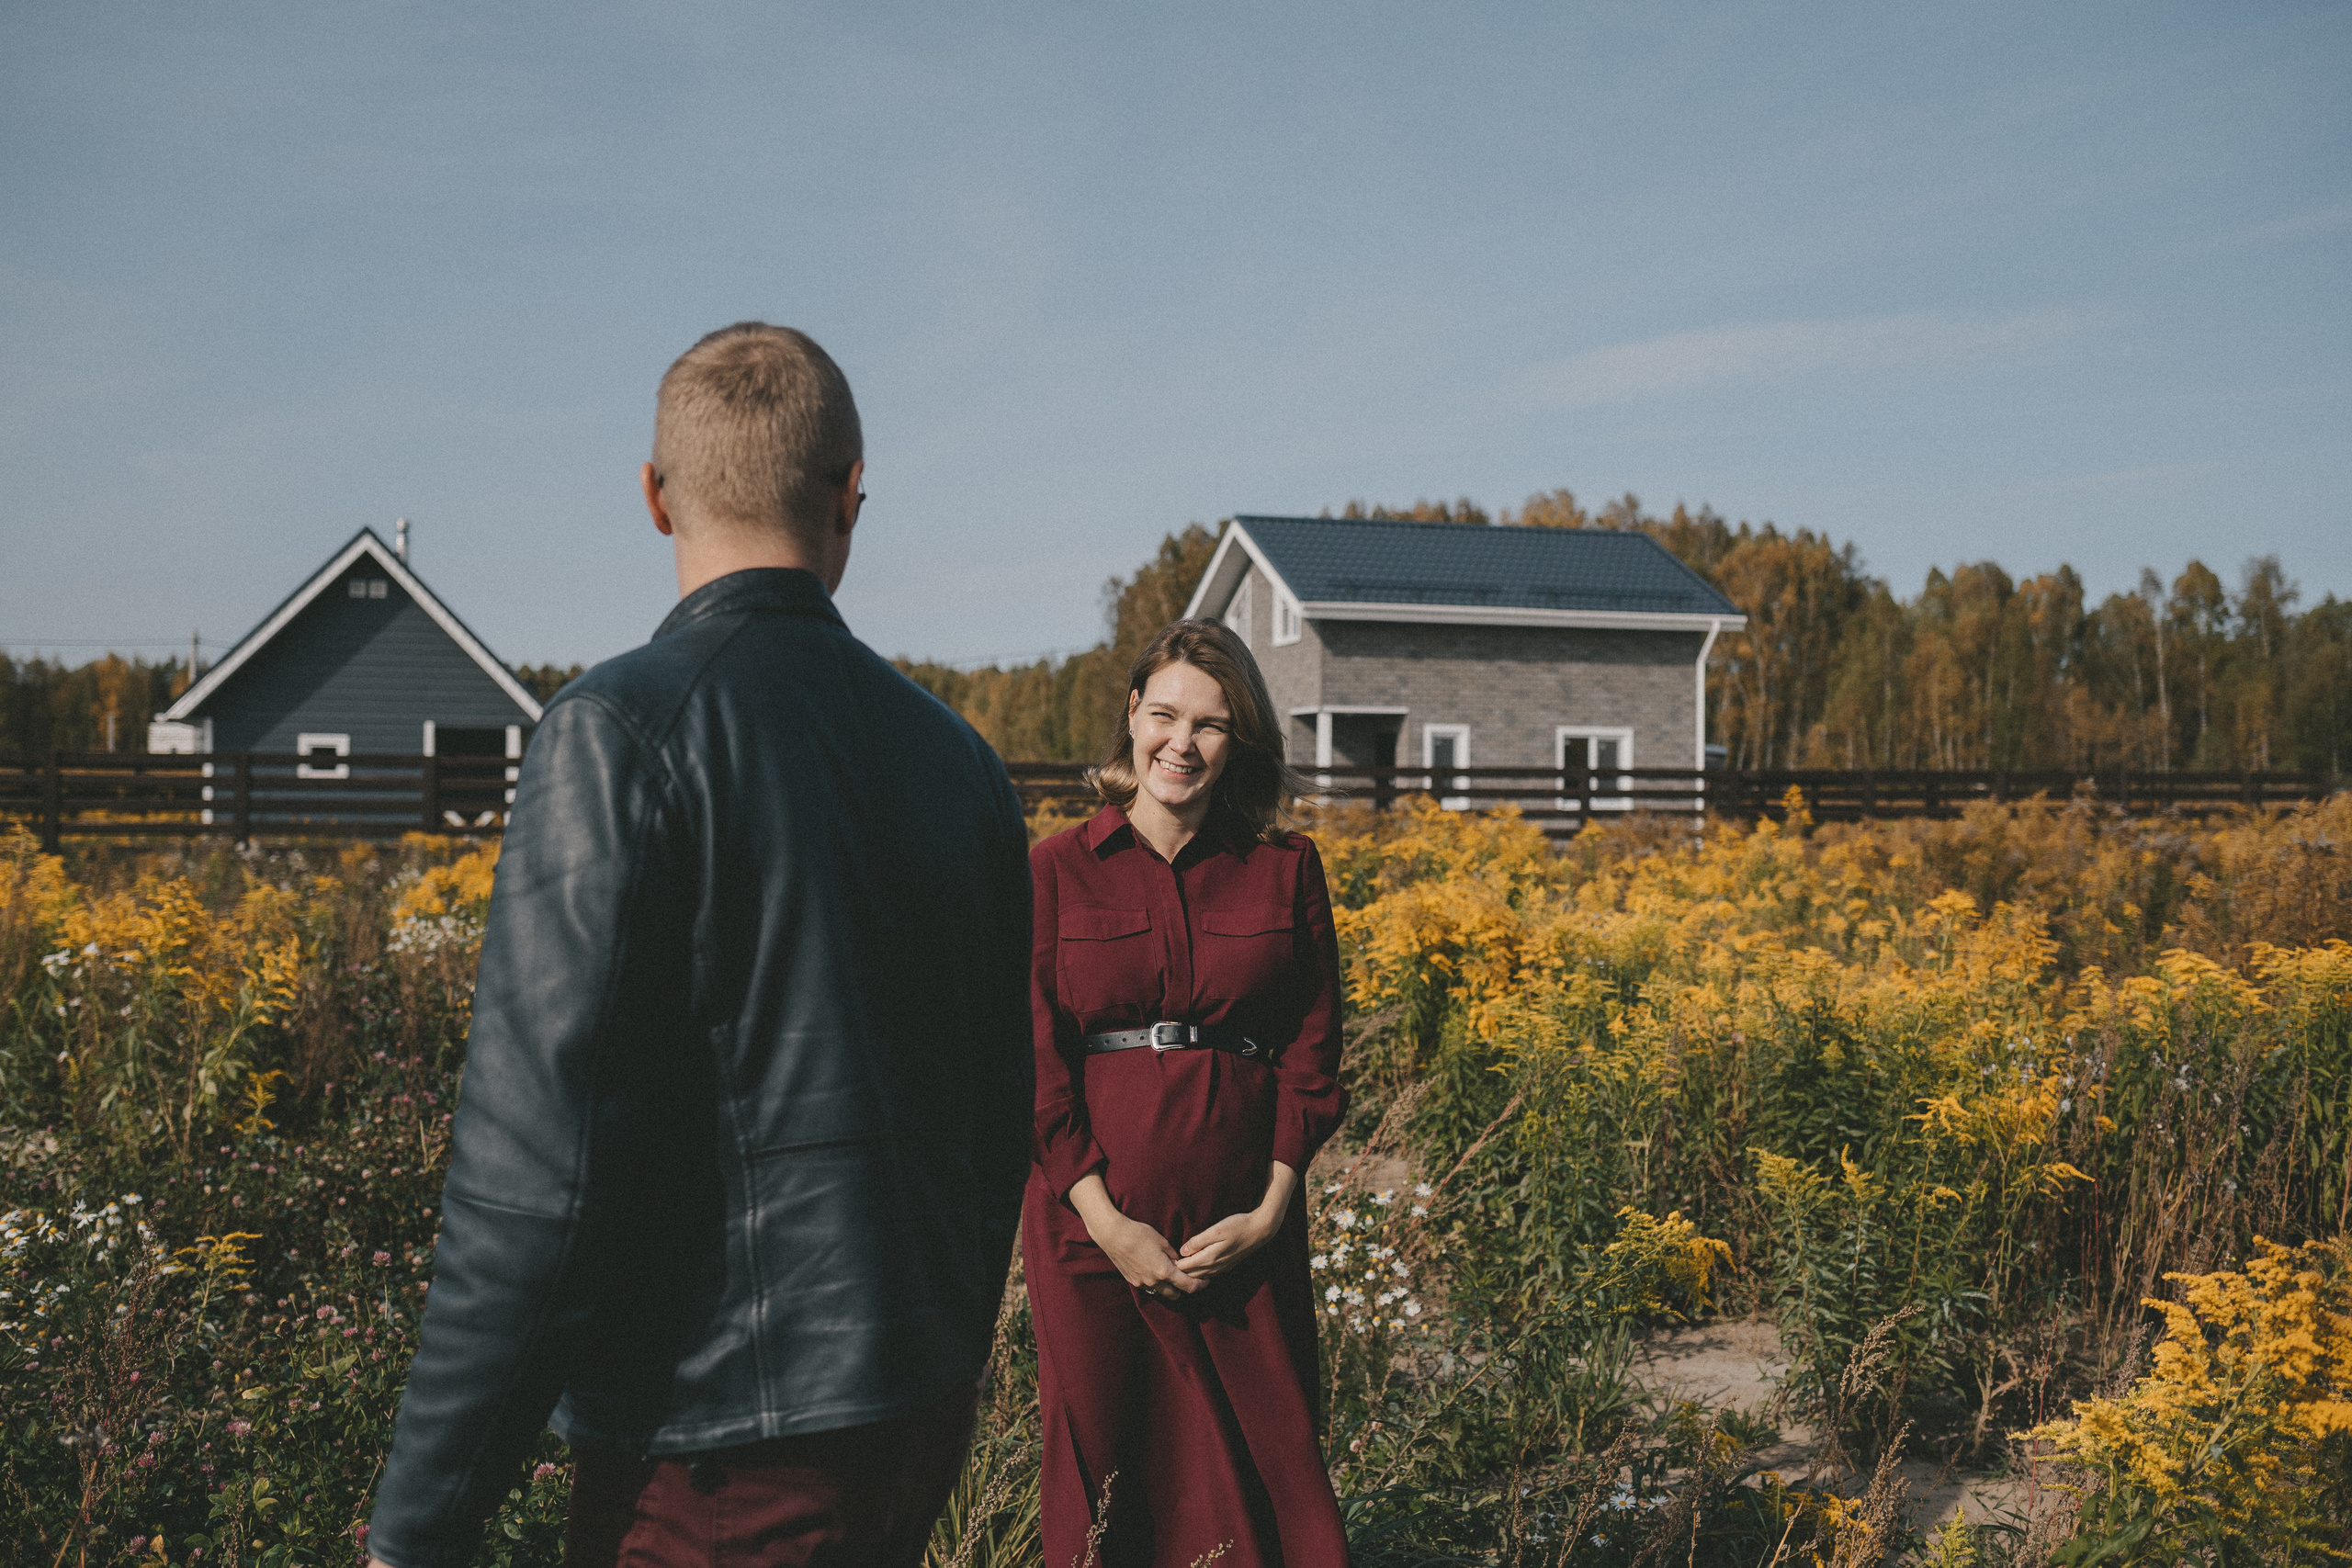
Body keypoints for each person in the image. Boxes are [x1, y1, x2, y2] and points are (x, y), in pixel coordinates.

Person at [364, 323, 1034, 1568]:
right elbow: (1001, 1115)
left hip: (714, 1440)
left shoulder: (616, 728)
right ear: (850, 495)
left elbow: (537, 1175)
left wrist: (418, 1522)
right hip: (910, 1407)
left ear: (656, 495)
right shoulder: (964, 763)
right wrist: (933, 1354)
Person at [1025, 619, 1351, 1568]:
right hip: (1091, 1236)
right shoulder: (1053, 870)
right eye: (1163, 714)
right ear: (1130, 715)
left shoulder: (1285, 868)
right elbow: (1035, 1060)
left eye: (1210, 725)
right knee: (1110, 1473)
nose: (1181, 742)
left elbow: (1313, 1050)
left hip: (1241, 1232)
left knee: (1269, 1466)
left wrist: (1271, 1208)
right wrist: (1105, 1222)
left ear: (1238, 740)